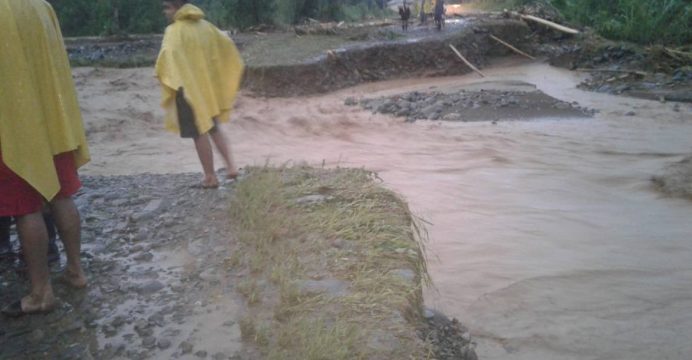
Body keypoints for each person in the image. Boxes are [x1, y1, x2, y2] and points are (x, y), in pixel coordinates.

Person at [0, 0, 90, 316]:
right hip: (53, 119)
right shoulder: (40, 5)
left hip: (13, 127)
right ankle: (76, 271)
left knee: (25, 208)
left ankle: (41, 293)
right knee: (61, 195)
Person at [156, 0, 245, 188]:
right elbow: (227, 47)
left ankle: (210, 176)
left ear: (177, 6)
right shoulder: (206, 27)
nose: (165, 12)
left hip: (187, 90)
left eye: (167, 7)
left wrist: (164, 77)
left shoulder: (174, 31)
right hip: (207, 89)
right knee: (214, 128)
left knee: (198, 133)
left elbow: (166, 58)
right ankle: (231, 167)